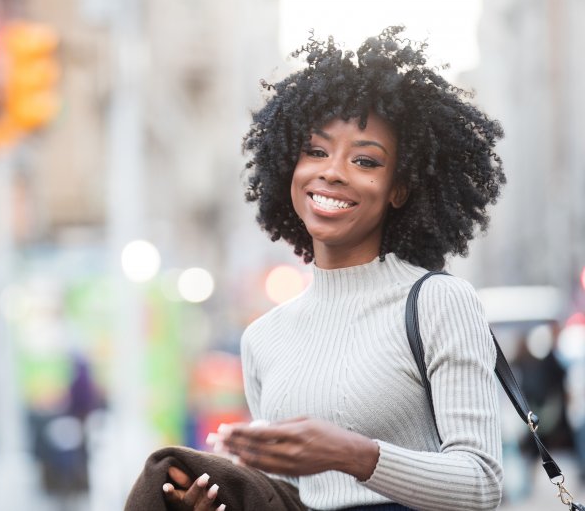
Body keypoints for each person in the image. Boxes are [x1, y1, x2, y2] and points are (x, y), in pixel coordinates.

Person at [124, 26, 506, 511]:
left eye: (365, 160)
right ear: (289, 164)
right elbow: (288, 499)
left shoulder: (437, 301)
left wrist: (354, 454)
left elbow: (482, 485)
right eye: (317, 151)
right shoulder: (263, 338)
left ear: (399, 189)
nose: (332, 171)